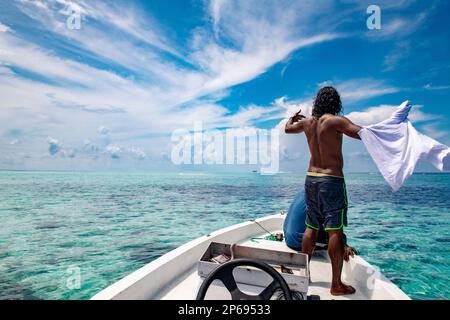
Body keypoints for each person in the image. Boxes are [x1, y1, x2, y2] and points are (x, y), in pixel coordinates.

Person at [285, 86, 362, 296]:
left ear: (317, 102)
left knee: (311, 226)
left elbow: (287, 128)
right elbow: (364, 134)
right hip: (331, 179)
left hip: (311, 179)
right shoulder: (337, 121)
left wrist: (292, 117)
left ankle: (304, 275)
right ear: (335, 103)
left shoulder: (307, 123)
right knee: (335, 230)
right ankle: (336, 284)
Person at [283, 189, 357, 261]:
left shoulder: (304, 191)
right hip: (298, 244)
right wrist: (344, 246)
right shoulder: (322, 196)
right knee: (339, 236)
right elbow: (331, 226)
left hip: (288, 238)